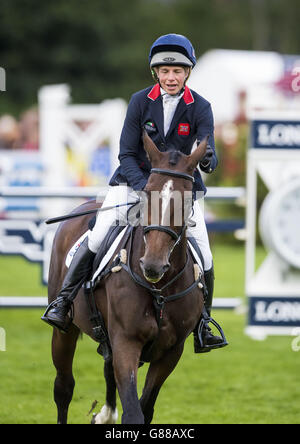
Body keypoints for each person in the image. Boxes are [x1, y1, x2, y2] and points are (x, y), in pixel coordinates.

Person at [42, 33, 227, 353]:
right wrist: (144, 190)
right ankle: (63, 301)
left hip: (179, 195)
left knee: (205, 254)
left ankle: (203, 323)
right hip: (133, 185)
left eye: (178, 71)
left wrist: (209, 158)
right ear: (155, 72)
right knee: (99, 236)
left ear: (188, 72)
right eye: (165, 71)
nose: (171, 77)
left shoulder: (201, 107)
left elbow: (206, 147)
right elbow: (126, 153)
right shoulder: (140, 101)